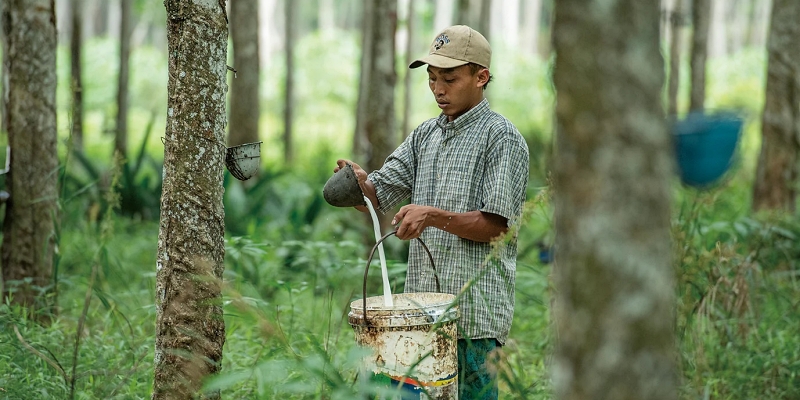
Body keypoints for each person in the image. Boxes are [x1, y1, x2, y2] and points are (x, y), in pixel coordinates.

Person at [335, 25, 529, 399]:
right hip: (420, 319)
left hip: (474, 317)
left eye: (450, 79)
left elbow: (496, 227)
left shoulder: (501, 138)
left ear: (481, 77)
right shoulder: (426, 135)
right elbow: (377, 195)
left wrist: (433, 216)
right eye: (432, 78)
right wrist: (359, 183)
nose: (438, 89)